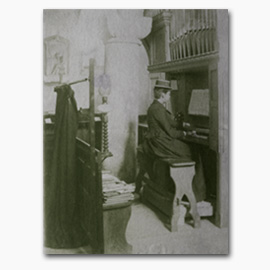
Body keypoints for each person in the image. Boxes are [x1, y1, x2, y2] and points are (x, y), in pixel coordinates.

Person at [135, 79, 206, 202]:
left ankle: (188, 191)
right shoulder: (157, 109)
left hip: (160, 142)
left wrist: (184, 124)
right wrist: (185, 132)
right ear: (163, 94)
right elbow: (171, 132)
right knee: (195, 153)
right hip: (162, 144)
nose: (169, 96)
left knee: (192, 150)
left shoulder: (158, 107)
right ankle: (195, 194)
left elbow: (171, 122)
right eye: (169, 94)